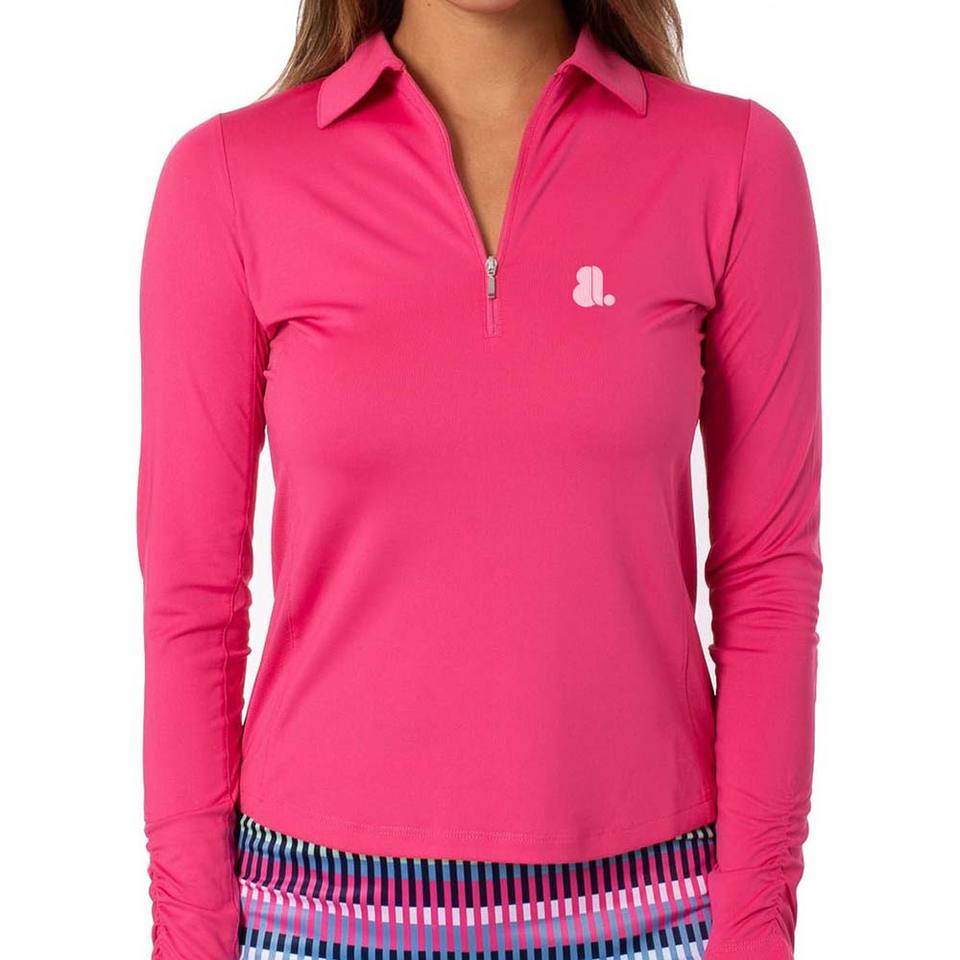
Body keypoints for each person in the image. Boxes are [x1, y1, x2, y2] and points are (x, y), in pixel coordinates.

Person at [136, 0, 822, 958]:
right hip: (313, 914)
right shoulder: (228, 178)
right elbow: (193, 601)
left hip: (655, 913)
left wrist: (754, 929)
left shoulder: (734, 165)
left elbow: (768, 580)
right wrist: (189, 935)